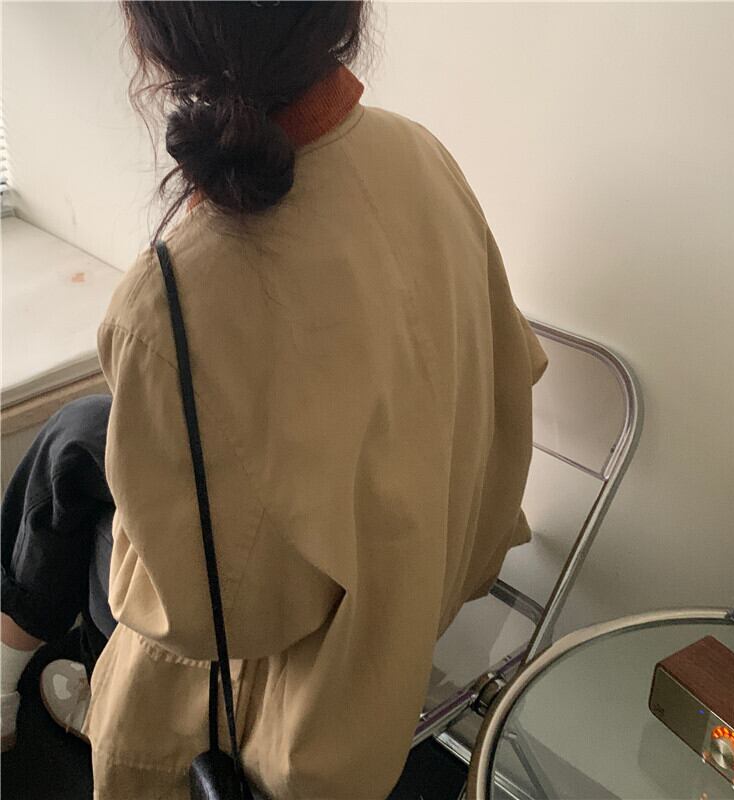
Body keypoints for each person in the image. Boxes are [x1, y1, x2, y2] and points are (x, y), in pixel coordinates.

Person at [0, 1, 549, 798]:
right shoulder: (419, 153)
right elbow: (503, 390)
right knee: (80, 433)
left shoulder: (171, 298)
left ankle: (23, 669)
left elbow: (198, 619)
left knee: (71, 464)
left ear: (156, 42)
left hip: (301, 692)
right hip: (426, 567)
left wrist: (131, 534)